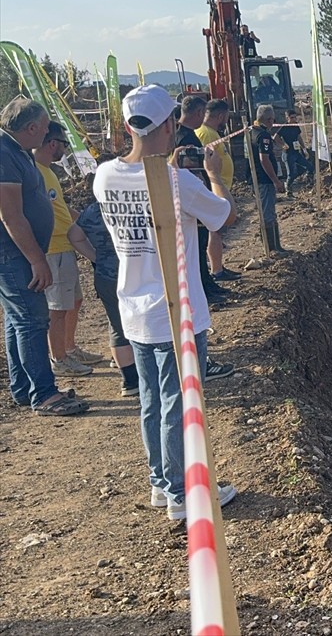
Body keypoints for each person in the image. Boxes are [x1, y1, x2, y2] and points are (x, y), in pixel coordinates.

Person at [93, 85, 238, 519]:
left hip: (133, 305)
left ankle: (161, 481)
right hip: (176, 308)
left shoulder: (104, 176)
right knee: (180, 401)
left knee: (152, 399)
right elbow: (224, 216)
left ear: (128, 126)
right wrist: (212, 176)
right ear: (171, 125)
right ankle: (182, 492)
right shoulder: (179, 182)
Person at [0, 98, 88, 416]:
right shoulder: (4, 152)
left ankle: (25, 389)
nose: (49, 132)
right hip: (14, 255)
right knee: (33, 321)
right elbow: (10, 214)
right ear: (33, 127)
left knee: (17, 320)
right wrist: (37, 259)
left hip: (17, 253)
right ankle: (44, 394)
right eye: (46, 125)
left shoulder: (16, 151)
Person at [32, 121, 102, 377]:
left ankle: (69, 348)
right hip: (54, 247)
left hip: (65, 244)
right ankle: (59, 358)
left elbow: (61, 208)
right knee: (58, 308)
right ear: (53, 144)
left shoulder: (47, 172)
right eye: (64, 143)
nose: (65, 149)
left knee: (74, 300)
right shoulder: (36, 173)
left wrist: (86, 221)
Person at [75, 175, 140, 397]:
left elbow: (73, 235)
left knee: (116, 325)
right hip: (133, 271)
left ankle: (129, 380)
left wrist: (95, 257)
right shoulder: (129, 206)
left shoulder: (93, 210)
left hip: (105, 275)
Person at [175, 96, 229, 308]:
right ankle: (203, 290)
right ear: (198, 113)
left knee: (201, 243)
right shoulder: (183, 138)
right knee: (195, 249)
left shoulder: (186, 135)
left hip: (196, 198)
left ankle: (208, 283)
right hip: (190, 202)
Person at [194, 98, 241, 283]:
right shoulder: (206, 134)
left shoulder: (211, 133)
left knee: (217, 231)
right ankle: (216, 270)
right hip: (213, 189)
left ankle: (217, 266)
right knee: (215, 230)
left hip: (219, 188)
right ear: (221, 115)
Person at [250, 104, 287, 254]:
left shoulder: (253, 131)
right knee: (268, 212)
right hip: (264, 179)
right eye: (272, 119)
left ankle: (275, 246)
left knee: (267, 211)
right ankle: (272, 248)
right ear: (269, 119)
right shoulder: (263, 135)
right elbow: (264, 159)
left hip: (257, 177)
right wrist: (276, 180)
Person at [276, 109, 311, 197]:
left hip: (296, 152)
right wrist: (283, 145)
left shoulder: (295, 126)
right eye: (292, 117)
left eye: (295, 117)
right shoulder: (284, 127)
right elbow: (275, 137)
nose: (294, 119)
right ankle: (288, 189)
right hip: (288, 153)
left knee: (308, 167)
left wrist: (304, 149)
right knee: (291, 173)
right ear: (287, 118)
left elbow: (299, 137)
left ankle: (302, 181)